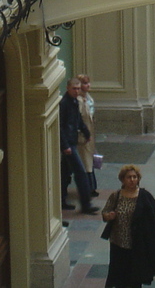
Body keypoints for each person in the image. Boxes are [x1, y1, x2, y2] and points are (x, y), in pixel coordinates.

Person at [100, 164, 155, 287]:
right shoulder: (116, 195)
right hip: (118, 244)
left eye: (135, 177)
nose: (132, 180)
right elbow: (105, 213)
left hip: (137, 245)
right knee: (119, 277)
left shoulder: (144, 196)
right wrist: (109, 216)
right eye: (129, 177)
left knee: (135, 278)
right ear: (123, 179)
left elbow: (154, 218)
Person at [60, 77, 99, 214]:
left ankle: (61, 200)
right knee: (80, 173)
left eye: (78, 88)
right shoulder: (64, 104)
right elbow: (60, 127)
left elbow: (78, 120)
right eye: (74, 89)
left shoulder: (75, 102)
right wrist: (65, 145)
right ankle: (86, 204)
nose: (77, 91)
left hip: (72, 141)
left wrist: (86, 132)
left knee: (64, 174)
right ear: (68, 88)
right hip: (69, 144)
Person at [77, 72, 99, 197]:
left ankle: (91, 187)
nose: (88, 85)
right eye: (85, 83)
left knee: (89, 159)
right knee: (86, 161)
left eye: (88, 82)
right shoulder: (80, 101)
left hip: (89, 134)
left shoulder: (88, 98)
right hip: (83, 136)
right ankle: (89, 187)